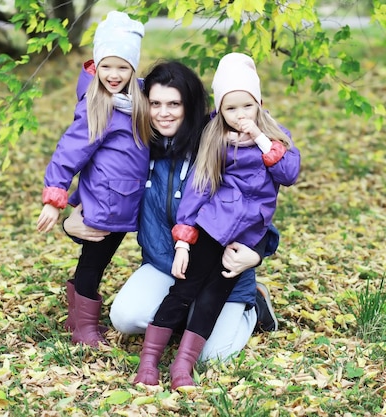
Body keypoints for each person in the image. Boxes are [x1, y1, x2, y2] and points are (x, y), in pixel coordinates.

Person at [62, 60, 280, 361]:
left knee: (212, 357)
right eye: (155, 103)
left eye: (174, 104)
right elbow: (105, 187)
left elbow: (254, 205)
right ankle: (187, 313)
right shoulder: (140, 147)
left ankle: (253, 306)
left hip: (222, 270)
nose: (163, 113)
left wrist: (256, 251)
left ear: (189, 105)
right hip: (165, 265)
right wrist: (70, 218)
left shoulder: (218, 144)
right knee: (125, 317)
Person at [134, 52, 301, 390]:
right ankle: (148, 361)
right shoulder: (215, 138)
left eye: (247, 106)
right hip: (212, 228)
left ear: (259, 104)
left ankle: (183, 365)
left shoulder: (274, 138)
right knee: (185, 291)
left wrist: (259, 137)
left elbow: (289, 173)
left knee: (211, 300)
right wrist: (183, 240)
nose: (239, 115)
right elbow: (198, 189)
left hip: (244, 239)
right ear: (220, 110)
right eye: (230, 108)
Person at [36, 11, 150, 347]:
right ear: (96, 65)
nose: (114, 75)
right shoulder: (97, 104)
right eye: (107, 66)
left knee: (98, 255)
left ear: (133, 69)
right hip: (106, 197)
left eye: (123, 67)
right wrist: (55, 198)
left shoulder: (136, 98)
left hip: (126, 195)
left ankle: (78, 316)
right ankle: (82, 327)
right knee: (95, 258)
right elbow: (69, 150)